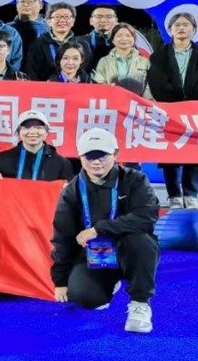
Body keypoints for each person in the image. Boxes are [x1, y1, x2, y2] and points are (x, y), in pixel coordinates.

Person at [51, 128, 160, 334]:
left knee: (141, 242)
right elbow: (62, 236)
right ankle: (110, 281)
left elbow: (146, 217)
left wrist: (98, 229)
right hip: (97, 252)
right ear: (80, 157)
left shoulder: (135, 180)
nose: (96, 162)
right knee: (84, 298)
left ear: (115, 154)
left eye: (102, 155)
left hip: (129, 245)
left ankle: (140, 303)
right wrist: (61, 280)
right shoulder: (72, 190)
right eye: (89, 156)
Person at [0, 111, 73, 182]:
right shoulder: (1, 160)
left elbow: (69, 193)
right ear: (18, 132)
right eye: (27, 127)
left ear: (47, 132)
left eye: (38, 127)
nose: (32, 132)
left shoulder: (61, 163)